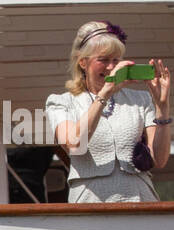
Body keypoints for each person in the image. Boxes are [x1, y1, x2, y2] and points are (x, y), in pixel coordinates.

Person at [46, 22, 170, 203]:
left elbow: (158, 160)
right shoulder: (61, 102)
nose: (111, 67)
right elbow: (74, 144)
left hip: (140, 201)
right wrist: (105, 94)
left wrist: (163, 107)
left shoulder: (140, 99)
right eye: (103, 60)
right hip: (90, 204)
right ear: (83, 62)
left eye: (116, 60)